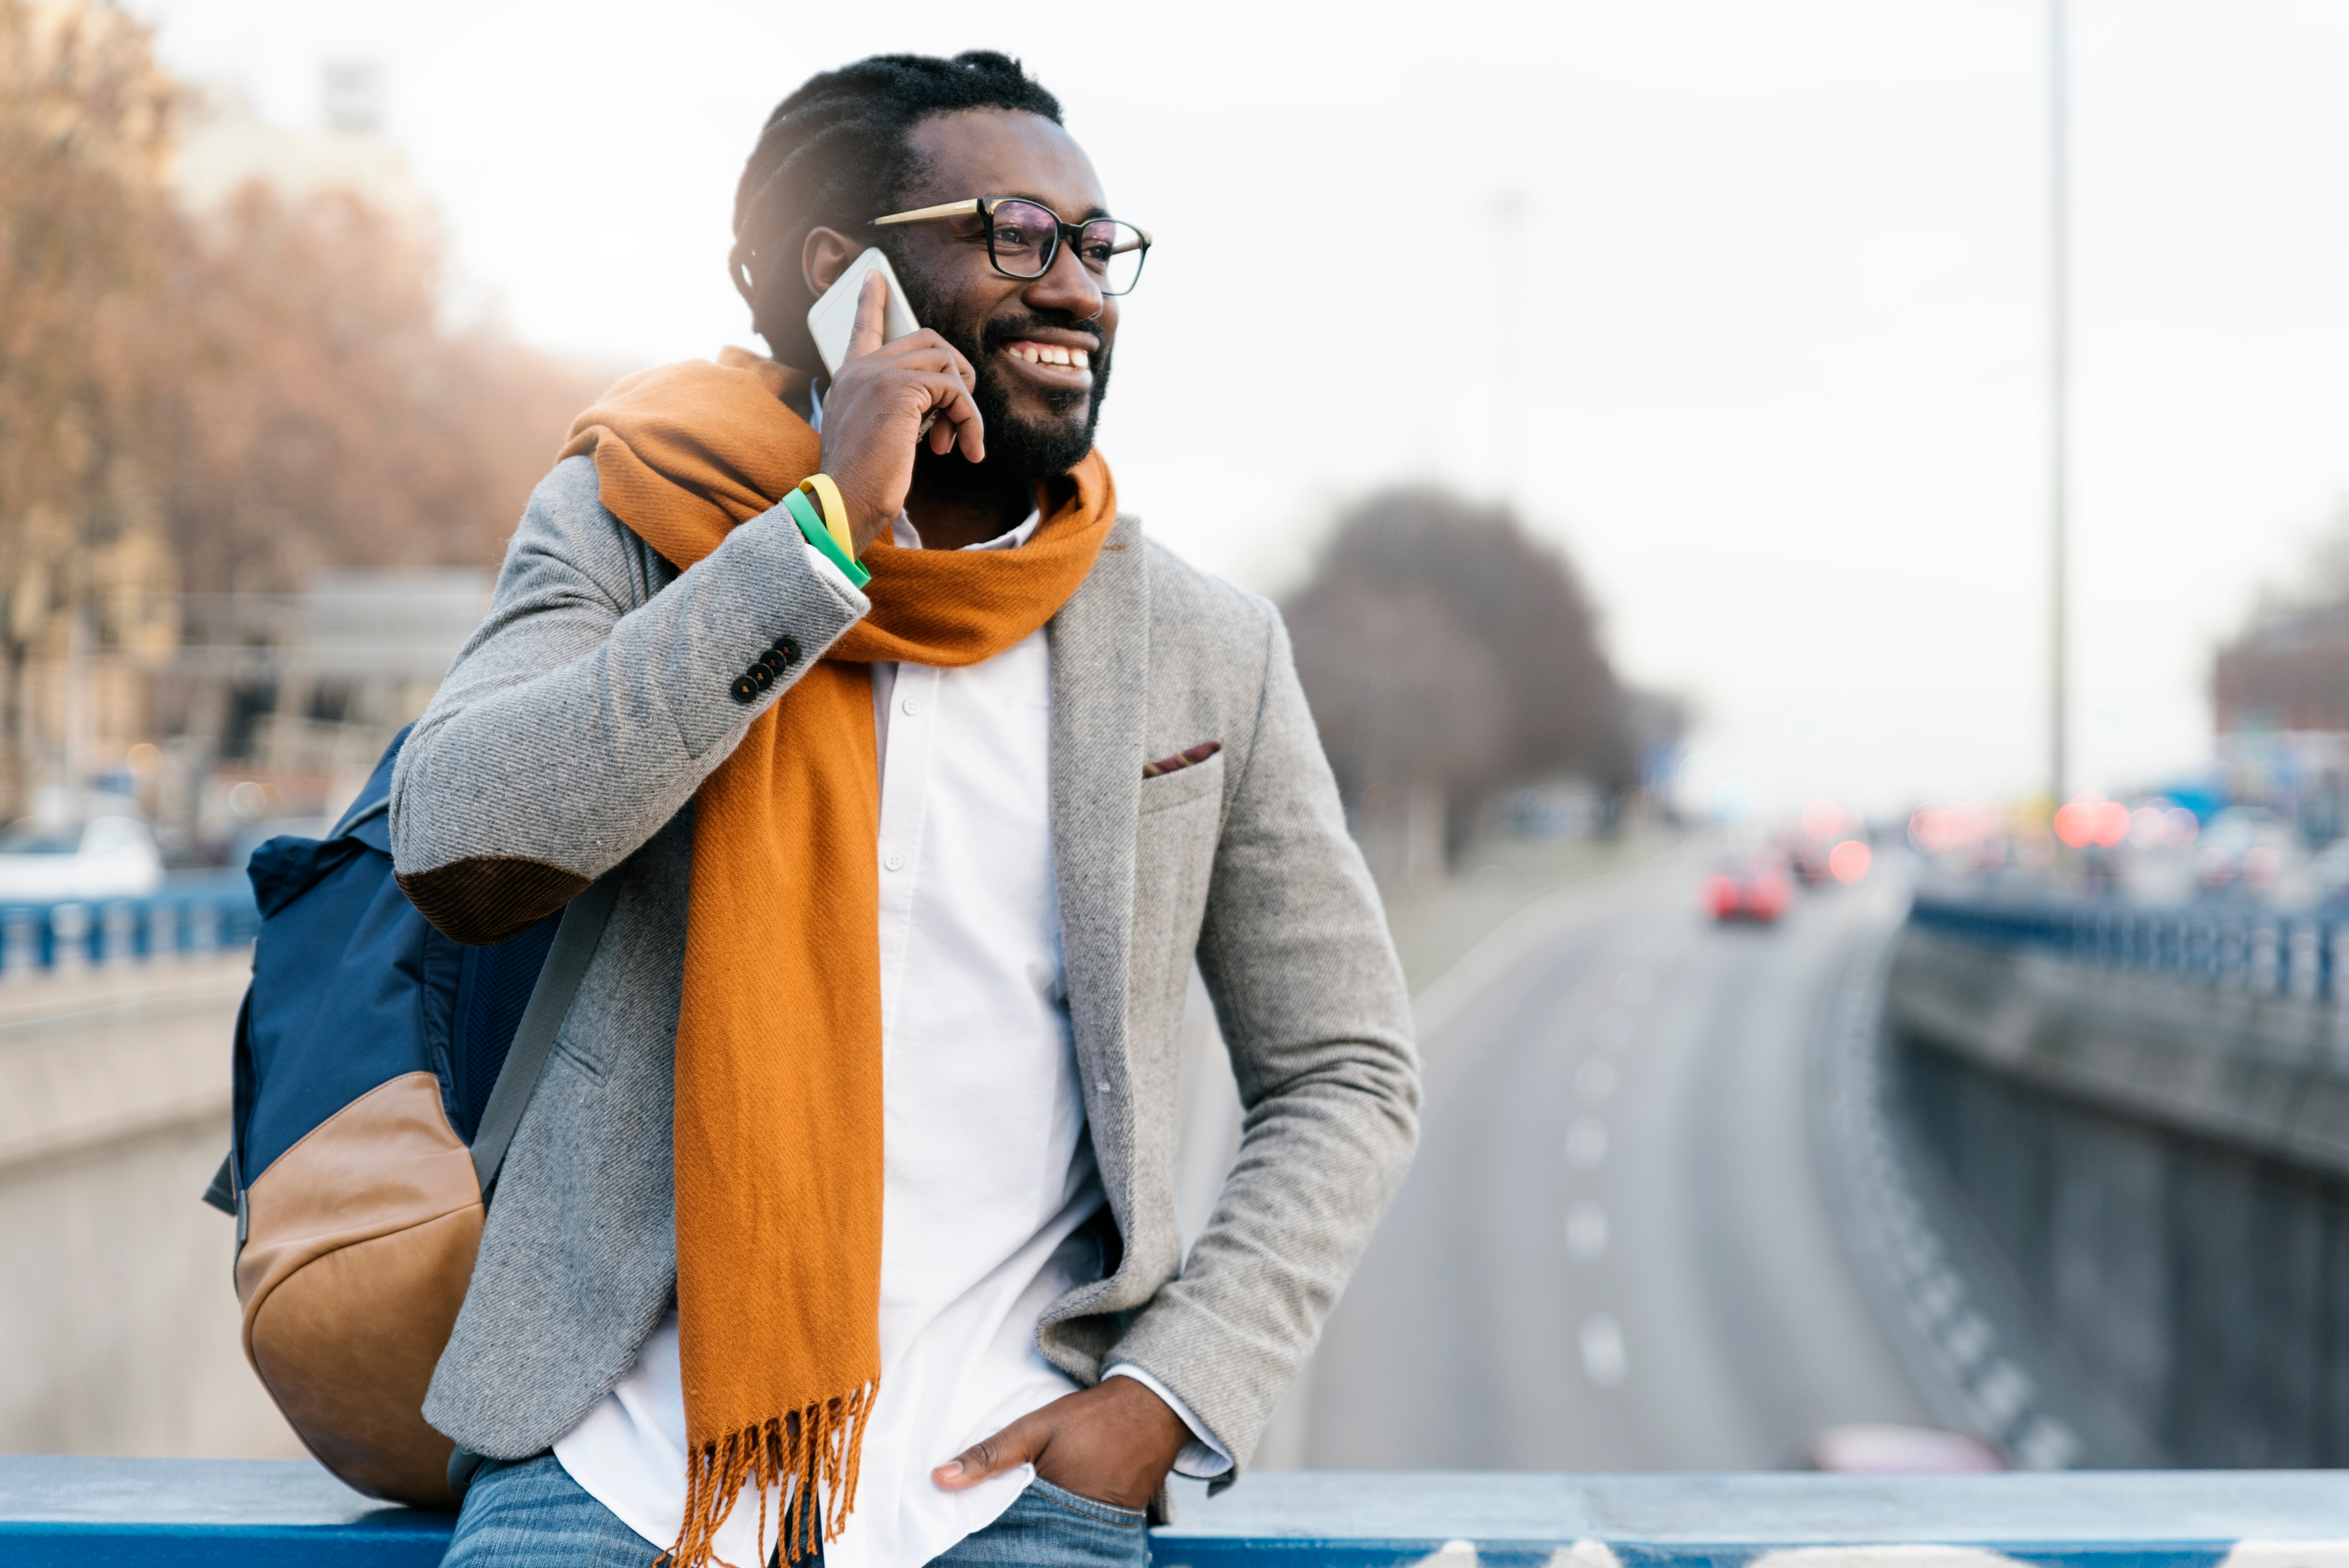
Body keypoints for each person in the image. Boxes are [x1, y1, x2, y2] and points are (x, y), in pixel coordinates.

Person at [391, 49, 1418, 1568]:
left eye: (1096, 245)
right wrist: (813, 544)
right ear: (844, 274)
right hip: (613, 1469)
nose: (1076, 286)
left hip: (1005, 1484)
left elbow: (1347, 1068)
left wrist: (1164, 1394)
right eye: (1016, 235)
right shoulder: (634, 521)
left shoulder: (1201, 647)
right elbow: (461, 838)